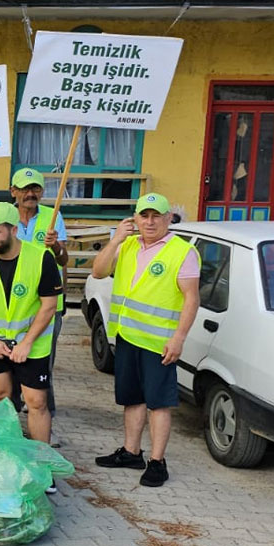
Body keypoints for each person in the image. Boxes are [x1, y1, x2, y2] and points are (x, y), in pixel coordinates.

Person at [92, 193, 200, 487]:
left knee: (159, 403)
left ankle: (157, 461)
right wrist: (114, 240)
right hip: (127, 336)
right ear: (135, 219)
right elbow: (98, 271)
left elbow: (192, 299)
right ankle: (131, 452)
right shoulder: (127, 245)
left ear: (168, 219)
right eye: (144, 216)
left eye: (156, 216)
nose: (150, 222)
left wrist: (179, 338)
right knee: (132, 398)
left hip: (159, 342)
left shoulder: (181, 251)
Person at [0, 203, 62, 450]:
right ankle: (6, 456)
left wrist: (26, 343)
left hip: (32, 344)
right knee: (0, 397)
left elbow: (49, 305)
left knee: (36, 401)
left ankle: (42, 463)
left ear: (14, 230)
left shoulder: (41, 258)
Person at [10, 168, 70, 415]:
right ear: (13, 191)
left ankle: (46, 418)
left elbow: (64, 259)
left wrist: (56, 245)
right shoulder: (6, 216)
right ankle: (10, 420)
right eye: (24, 188)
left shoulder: (53, 216)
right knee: (10, 365)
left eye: (35, 188)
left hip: (45, 306)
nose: (30, 193)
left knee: (42, 365)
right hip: (12, 305)